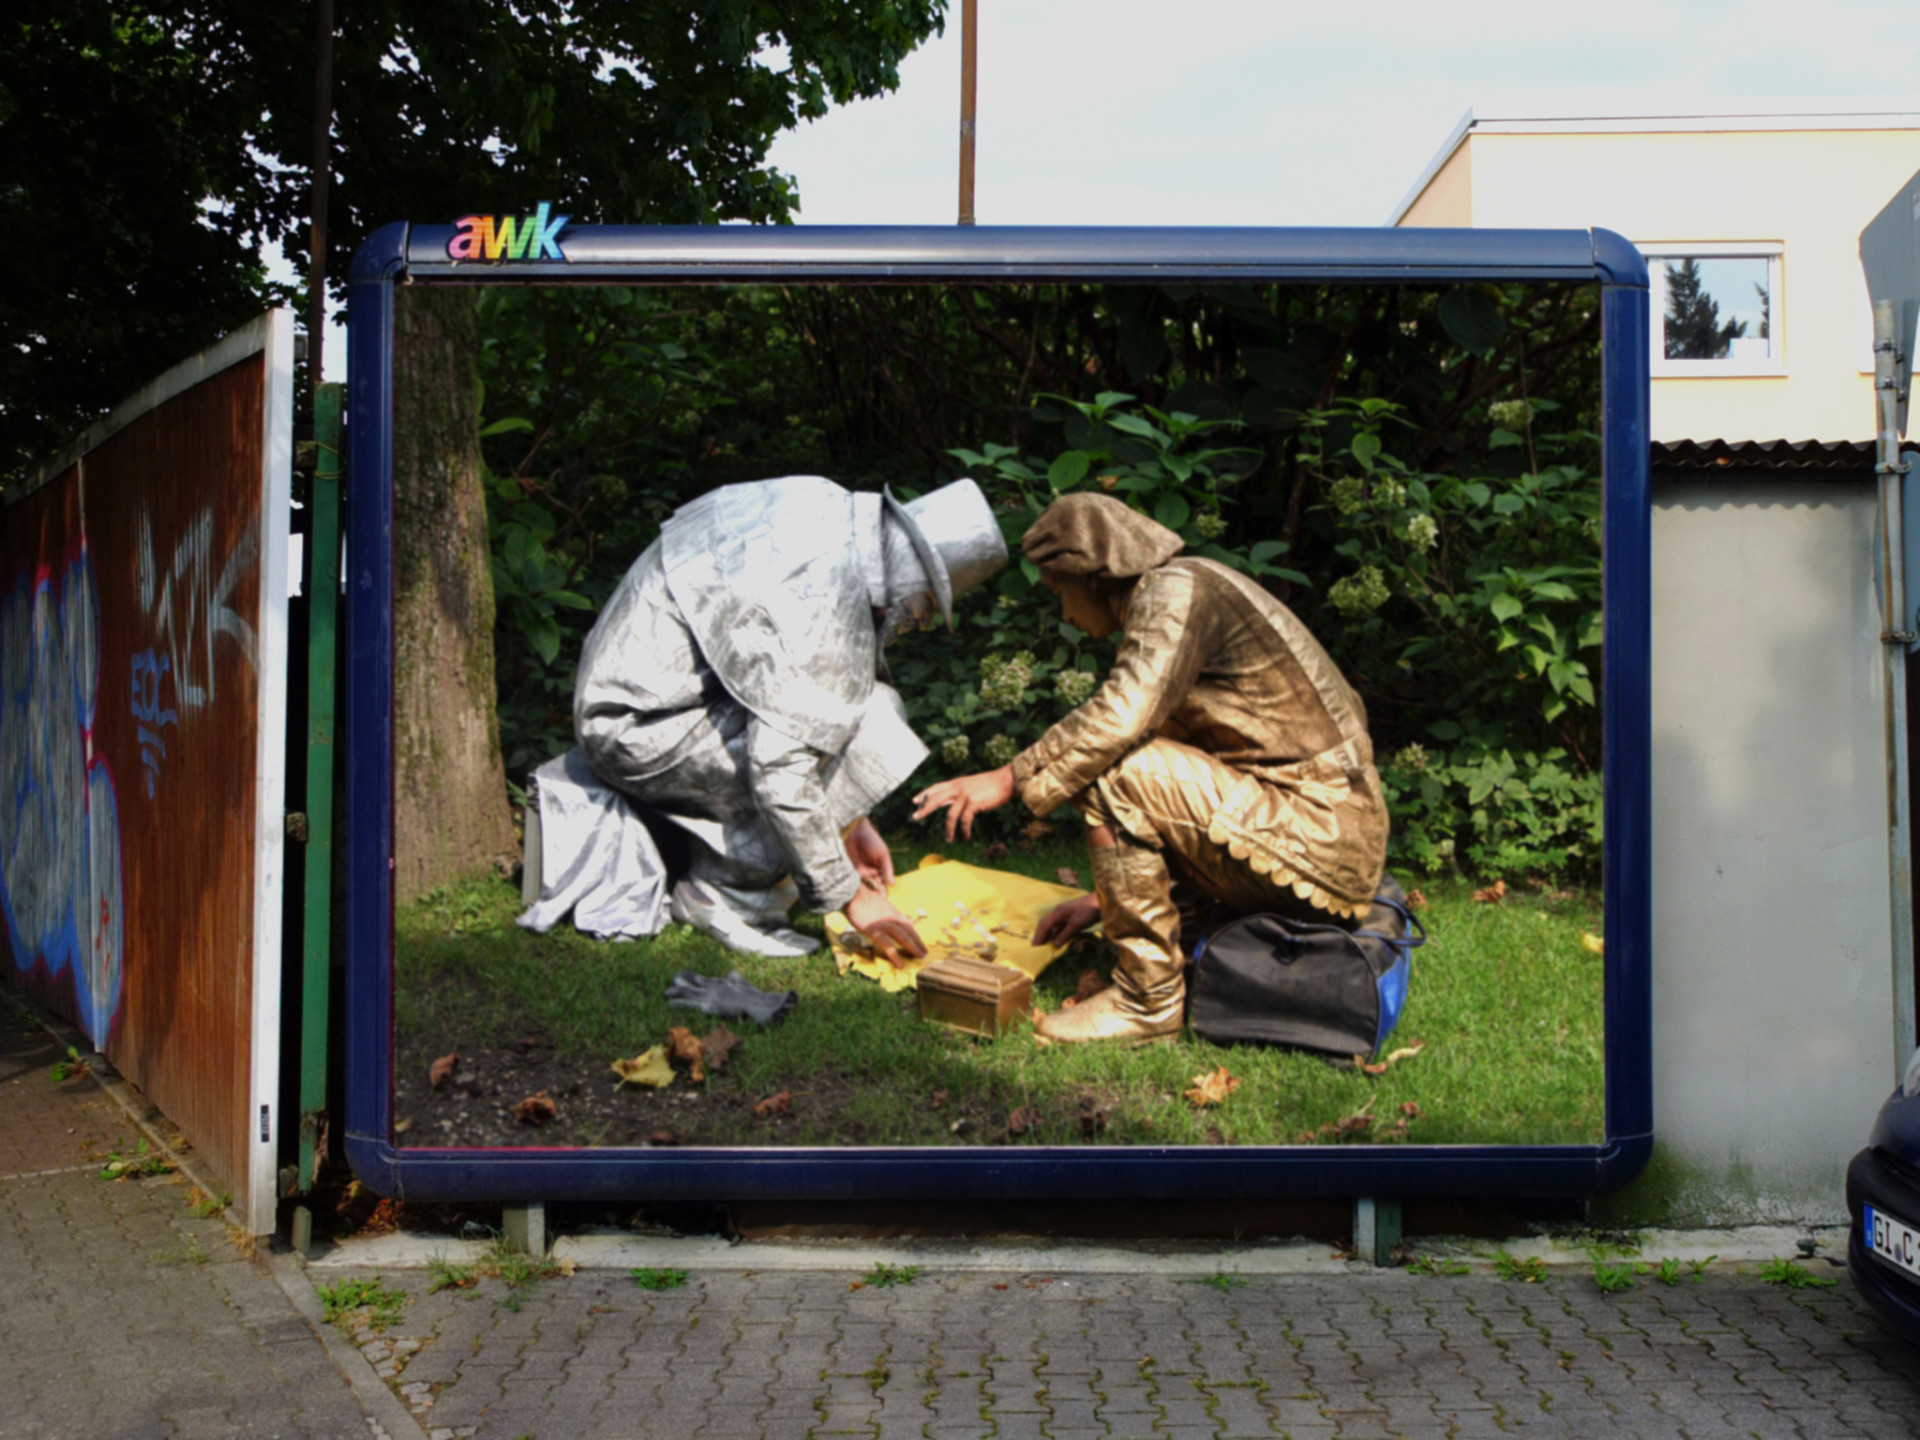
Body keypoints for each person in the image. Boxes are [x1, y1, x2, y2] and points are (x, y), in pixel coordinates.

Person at [913, 492, 1388, 1043]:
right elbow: (1187, 786)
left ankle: (1147, 1000)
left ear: (1092, 573)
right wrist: (1103, 902)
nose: (1063, 611)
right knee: (1133, 760)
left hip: (1318, 830)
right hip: (1323, 828)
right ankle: (1168, 952)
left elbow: (1121, 716)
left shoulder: (1176, 590)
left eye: (1058, 590)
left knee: (1115, 770)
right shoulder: (1181, 593)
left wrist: (1007, 776)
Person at [575, 475, 1007, 961]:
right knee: (879, 725)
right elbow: (780, 769)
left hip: (636, 702)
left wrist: (850, 825)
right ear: (912, 574)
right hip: (636, 727)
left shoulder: (821, 504)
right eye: (926, 604)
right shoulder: (825, 590)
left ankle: (752, 875)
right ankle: (725, 896)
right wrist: (850, 895)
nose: (916, 621)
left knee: (857, 709)